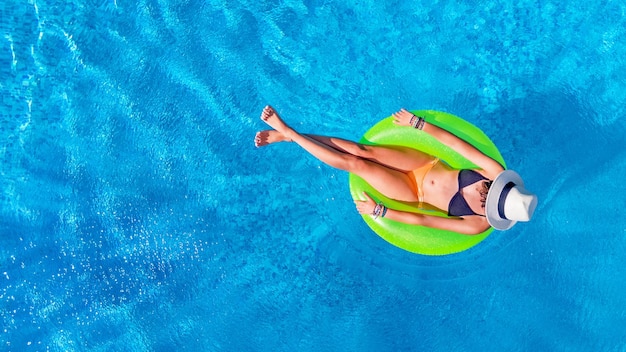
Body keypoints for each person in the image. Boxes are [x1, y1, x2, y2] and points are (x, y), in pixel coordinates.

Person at [255, 106, 537, 235]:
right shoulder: (493, 170)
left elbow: (426, 222)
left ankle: (289, 133)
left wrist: (382, 212)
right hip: (425, 164)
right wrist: (418, 124)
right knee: (362, 150)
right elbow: (455, 143)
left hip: (413, 192)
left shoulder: (478, 224)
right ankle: (290, 135)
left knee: (358, 165)